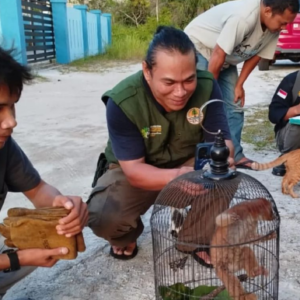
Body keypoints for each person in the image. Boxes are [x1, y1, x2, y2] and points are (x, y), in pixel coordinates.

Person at [88, 26, 234, 265]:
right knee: (104, 216)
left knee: (224, 177)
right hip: (136, 171)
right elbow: (135, 171)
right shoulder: (123, 100)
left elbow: (222, 141)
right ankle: (127, 235)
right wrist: (177, 177)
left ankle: (193, 238)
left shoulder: (207, 86)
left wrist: (224, 158)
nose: (180, 91)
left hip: (188, 164)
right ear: (147, 70)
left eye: (189, 79)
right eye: (169, 82)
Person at [0, 48, 88, 299]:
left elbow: (37, 189)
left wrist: (62, 204)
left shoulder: (3, 146)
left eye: (12, 107)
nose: (10, 122)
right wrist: (14, 260)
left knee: (49, 234)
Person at [184, 0, 299, 169]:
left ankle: (234, 155)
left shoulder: (272, 26)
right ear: (267, 11)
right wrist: (210, 91)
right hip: (200, 48)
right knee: (202, 104)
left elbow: (257, 54)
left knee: (235, 103)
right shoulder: (243, 18)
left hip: (225, 57)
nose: (284, 28)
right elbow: (218, 53)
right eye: (283, 23)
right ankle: (192, 155)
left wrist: (240, 84)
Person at [269, 70, 300, 176]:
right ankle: (286, 158)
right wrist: (296, 110)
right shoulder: (292, 81)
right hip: (289, 135)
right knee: (297, 123)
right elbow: (273, 114)